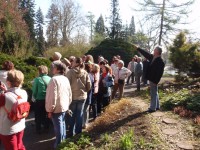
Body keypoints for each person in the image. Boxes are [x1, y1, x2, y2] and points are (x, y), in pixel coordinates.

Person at [45, 62, 72, 149]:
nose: (52, 68)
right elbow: (69, 94)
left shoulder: (54, 79)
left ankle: (59, 145)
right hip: (64, 105)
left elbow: (51, 96)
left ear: (58, 69)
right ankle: (63, 143)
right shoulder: (65, 78)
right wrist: (68, 104)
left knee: (59, 127)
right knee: (62, 125)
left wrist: (49, 109)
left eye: (54, 67)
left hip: (56, 108)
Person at [0, 70, 28, 150]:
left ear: (8, 82)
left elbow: (8, 99)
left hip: (8, 129)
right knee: (20, 146)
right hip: (20, 125)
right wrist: (6, 90)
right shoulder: (24, 92)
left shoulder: (4, 97)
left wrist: (4, 92)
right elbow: (14, 98)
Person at [134, 45, 165, 112]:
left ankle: (152, 108)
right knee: (155, 92)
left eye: (155, 49)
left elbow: (160, 73)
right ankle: (157, 106)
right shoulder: (152, 57)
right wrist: (138, 48)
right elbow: (145, 54)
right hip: (151, 78)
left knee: (153, 93)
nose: (153, 50)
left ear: (157, 51)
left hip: (154, 79)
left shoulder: (160, 61)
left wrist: (156, 81)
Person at [66, 57, 91, 137]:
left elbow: (67, 85)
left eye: (73, 62)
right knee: (79, 114)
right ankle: (78, 132)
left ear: (77, 63)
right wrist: (85, 91)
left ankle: (71, 133)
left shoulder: (70, 72)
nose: (71, 63)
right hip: (82, 96)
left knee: (72, 114)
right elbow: (89, 85)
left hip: (73, 96)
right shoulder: (85, 72)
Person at [32, 65, 51, 134]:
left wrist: (34, 97)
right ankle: (46, 127)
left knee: (38, 115)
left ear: (39, 71)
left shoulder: (37, 79)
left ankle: (38, 129)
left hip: (39, 100)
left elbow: (34, 91)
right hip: (48, 99)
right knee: (46, 114)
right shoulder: (50, 78)